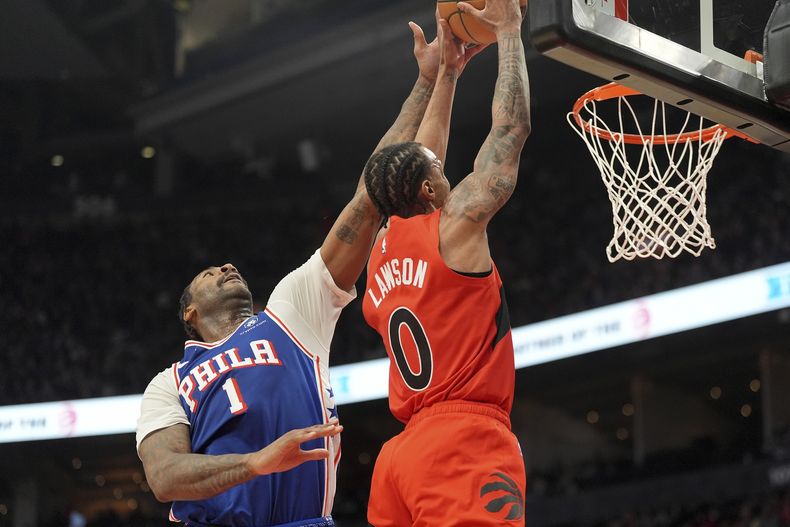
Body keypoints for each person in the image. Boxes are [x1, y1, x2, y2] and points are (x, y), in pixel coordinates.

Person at [134, 13, 480, 526]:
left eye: (226, 265)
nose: (227, 267)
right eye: (210, 273)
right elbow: (165, 477)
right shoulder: (170, 383)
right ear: (189, 313)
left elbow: (370, 197)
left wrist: (429, 81)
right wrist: (256, 463)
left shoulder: (291, 312)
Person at [361, 0, 531, 525]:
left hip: (401, 455)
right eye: (438, 171)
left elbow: (416, 160)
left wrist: (448, 74)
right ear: (432, 189)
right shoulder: (455, 227)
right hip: (465, 438)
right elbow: (510, 132)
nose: (444, 165)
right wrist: (508, 32)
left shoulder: (378, 254)